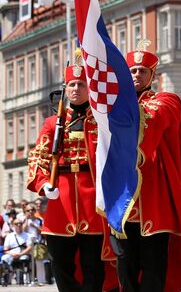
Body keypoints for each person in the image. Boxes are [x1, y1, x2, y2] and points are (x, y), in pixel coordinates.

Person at [114, 39, 181, 292]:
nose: (136, 75)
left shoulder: (167, 100)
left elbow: (151, 121)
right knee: (126, 266)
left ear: (152, 75)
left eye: (142, 71)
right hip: (123, 199)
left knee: (155, 266)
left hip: (155, 200)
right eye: (132, 70)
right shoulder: (114, 105)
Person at [25, 56, 109, 291]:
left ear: (89, 89)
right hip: (60, 204)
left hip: (93, 204)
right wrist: (43, 184)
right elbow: (37, 157)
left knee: (93, 266)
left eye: (81, 84)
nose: (76, 89)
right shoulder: (53, 123)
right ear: (65, 87)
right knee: (61, 265)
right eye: (72, 84)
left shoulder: (102, 122)